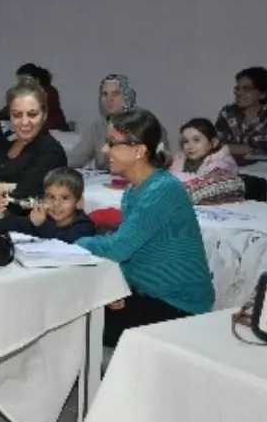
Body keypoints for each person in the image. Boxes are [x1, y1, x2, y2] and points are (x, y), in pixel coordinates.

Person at [77, 108, 214, 347]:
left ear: (139, 150)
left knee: (76, 324)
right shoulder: (134, 190)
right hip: (147, 294)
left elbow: (118, 248)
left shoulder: (162, 190)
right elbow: (134, 252)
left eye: (112, 143)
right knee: (74, 313)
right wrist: (118, 286)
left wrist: (73, 243)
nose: (104, 149)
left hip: (177, 305)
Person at [0, 77, 68, 213]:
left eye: (32, 114)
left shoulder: (51, 151)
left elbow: (21, 202)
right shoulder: (3, 142)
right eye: (17, 115)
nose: (24, 122)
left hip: (23, 229)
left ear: (44, 115)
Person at [68, 74, 166, 170]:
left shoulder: (146, 124)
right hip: (106, 182)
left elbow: (163, 160)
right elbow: (75, 159)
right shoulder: (97, 127)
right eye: (105, 94)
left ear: (127, 95)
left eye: (115, 94)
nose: (109, 99)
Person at [0, 167, 97, 242]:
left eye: (65, 198)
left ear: (78, 201)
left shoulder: (84, 227)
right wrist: (1, 215)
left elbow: (62, 242)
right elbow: (17, 225)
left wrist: (42, 225)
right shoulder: (44, 218)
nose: (56, 204)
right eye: (51, 197)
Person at [215, 66, 267, 158]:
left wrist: (225, 147)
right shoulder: (227, 112)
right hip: (229, 168)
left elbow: (266, 151)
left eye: (246, 89)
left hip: (262, 171)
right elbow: (213, 144)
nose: (239, 93)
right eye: (238, 88)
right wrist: (247, 148)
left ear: (262, 94)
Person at [0, 64, 69, 131]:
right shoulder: (26, 93)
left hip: (55, 132)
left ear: (35, 79)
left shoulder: (47, 92)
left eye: (23, 80)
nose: (20, 83)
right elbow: (9, 109)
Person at [170, 118, 239, 180]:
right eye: (186, 141)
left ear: (214, 143)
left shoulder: (220, 165)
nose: (189, 146)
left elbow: (201, 183)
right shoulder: (180, 160)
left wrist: (174, 176)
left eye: (196, 140)